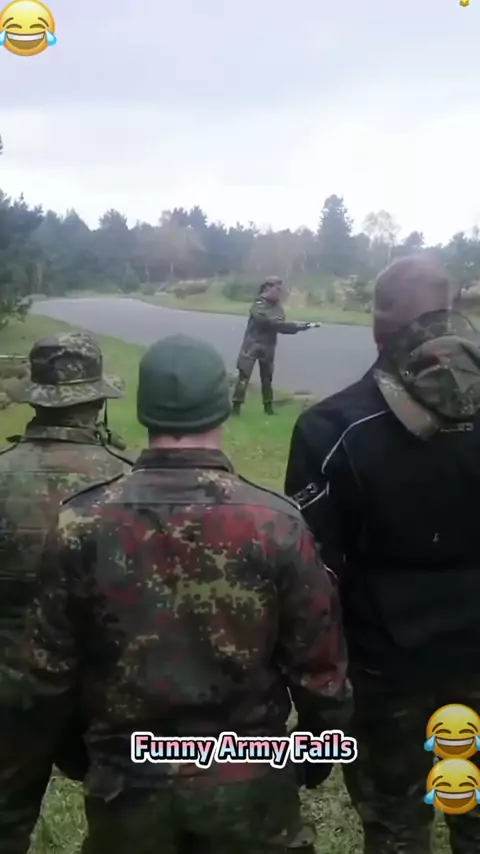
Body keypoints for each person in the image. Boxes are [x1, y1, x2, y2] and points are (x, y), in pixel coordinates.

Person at [21, 334, 351, 854]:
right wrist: (312, 758)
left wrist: (84, 758)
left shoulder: (81, 522)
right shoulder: (275, 523)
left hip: (128, 782)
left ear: (143, 410)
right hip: (250, 784)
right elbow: (321, 672)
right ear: (220, 408)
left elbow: (47, 674)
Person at [284, 255, 480, 854]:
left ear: (377, 327)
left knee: (396, 824)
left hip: (383, 668)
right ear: (451, 314)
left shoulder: (331, 426)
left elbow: (315, 577)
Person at [0, 330, 133, 854]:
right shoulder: (129, 482)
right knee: (126, 823)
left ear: (36, 398)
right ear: (97, 401)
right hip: (107, 684)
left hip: (11, 680)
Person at [232, 276, 318, 416]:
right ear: (267, 287)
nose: (279, 291)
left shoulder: (277, 307)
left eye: (280, 288)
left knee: (267, 378)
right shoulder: (258, 304)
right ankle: (236, 407)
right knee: (244, 375)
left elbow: (281, 326)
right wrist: (288, 325)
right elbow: (265, 321)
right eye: (276, 288)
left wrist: (301, 327)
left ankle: (268, 407)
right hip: (251, 344)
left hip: (268, 346)